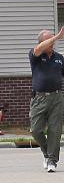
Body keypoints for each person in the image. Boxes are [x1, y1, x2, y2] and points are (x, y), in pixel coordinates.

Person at [29, 28, 64, 173]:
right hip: (39, 98)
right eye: (49, 40)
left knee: (55, 131)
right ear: (41, 42)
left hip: (57, 97)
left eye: (54, 40)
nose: (53, 43)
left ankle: (52, 160)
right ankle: (46, 153)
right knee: (36, 130)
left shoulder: (59, 58)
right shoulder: (35, 55)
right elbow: (38, 49)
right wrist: (57, 36)